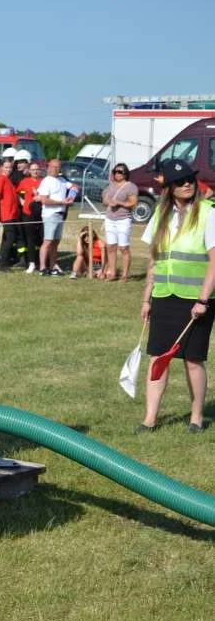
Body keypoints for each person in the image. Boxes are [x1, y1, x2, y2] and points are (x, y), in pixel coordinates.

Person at [139, 159, 215, 434]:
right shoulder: (161, 215)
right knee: (158, 358)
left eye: (190, 180)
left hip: (197, 299)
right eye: (181, 181)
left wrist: (203, 300)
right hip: (164, 295)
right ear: (169, 187)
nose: (187, 184)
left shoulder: (208, 212)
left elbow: (214, 262)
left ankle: (196, 417)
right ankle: (149, 419)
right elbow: (154, 260)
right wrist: (147, 298)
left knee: (193, 359)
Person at [36, 159, 75, 276]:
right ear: (48, 168)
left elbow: (74, 186)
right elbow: (44, 200)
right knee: (47, 241)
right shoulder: (46, 181)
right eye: (54, 167)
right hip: (50, 214)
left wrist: (71, 195)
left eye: (58, 167)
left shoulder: (62, 180)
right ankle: (43, 267)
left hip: (60, 215)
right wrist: (62, 202)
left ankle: (53, 266)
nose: (56, 169)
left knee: (56, 242)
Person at [102, 162, 137, 282]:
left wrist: (119, 203)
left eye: (120, 172)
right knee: (111, 247)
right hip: (110, 219)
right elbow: (105, 199)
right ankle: (112, 273)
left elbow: (133, 203)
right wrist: (109, 202)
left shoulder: (131, 186)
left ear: (125, 173)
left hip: (123, 219)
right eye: (115, 171)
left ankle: (125, 275)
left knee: (123, 248)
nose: (117, 174)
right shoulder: (111, 185)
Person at [0, 159, 24, 271]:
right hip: (7, 215)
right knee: (10, 238)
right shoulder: (1, 179)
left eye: (10, 168)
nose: (8, 170)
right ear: (1, 167)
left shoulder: (8, 180)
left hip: (13, 214)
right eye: (6, 167)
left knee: (8, 238)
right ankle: (3, 264)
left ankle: (3, 261)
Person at [17, 160, 43, 273]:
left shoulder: (44, 181)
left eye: (37, 169)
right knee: (30, 239)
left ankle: (41, 262)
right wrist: (22, 201)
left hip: (42, 213)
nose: (35, 171)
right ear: (29, 171)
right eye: (33, 170)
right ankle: (31, 263)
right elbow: (16, 192)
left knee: (41, 238)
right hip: (28, 213)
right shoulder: (25, 181)